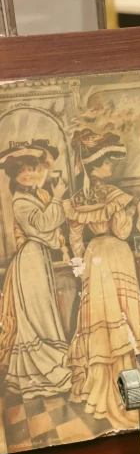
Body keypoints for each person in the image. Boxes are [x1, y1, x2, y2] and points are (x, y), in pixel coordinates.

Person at [65, 129, 140, 429]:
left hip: (93, 257)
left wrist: (79, 265)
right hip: (115, 253)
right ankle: (126, 378)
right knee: (123, 312)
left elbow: (75, 238)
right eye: (107, 162)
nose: (111, 168)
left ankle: (101, 379)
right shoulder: (114, 195)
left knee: (100, 315)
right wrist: (133, 212)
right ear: (94, 165)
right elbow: (124, 232)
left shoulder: (77, 199)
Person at [0, 141, 71, 398]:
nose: (29, 175)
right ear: (15, 177)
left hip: (37, 257)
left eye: (32, 169)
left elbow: (48, 228)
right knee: (38, 313)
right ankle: (43, 370)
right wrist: (59, 198)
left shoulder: (32, 194)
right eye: (23, 172)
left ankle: (48, 365)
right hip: (29, 260)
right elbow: (42, 225)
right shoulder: (20, 201)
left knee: (44, 310)